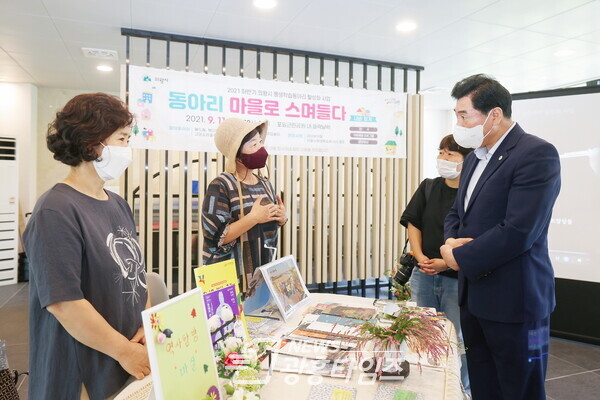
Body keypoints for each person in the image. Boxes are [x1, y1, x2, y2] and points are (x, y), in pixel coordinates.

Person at [440, 74, 561, 400]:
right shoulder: (474, 159)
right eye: (456, 115)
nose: (458, 123)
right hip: (475, 299)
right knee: (484, 385)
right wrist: (450, 243)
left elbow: (519, 230)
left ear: (493, 114)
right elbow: (457, 214)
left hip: (517, 304)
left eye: (464, 115)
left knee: (521, 389)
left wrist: (459, 257)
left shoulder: (536, 154)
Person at [23, 93, 150, 400]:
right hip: (80, 369)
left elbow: (136, 276)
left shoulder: (117, 204)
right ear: (93, 143)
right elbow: (64, 303)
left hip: (124, 358)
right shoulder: (55, 210)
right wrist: (124, 351)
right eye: (122, 139)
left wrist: (146, 325)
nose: (127, 149)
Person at [400, 134, 472, 395]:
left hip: (458, 279)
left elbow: (476, 238)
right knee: (423, 334)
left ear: (468, 160)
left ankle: (458, 389)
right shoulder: (429, 186)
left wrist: (447, 263)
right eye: (441, 152)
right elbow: (413, 222)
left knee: (456, 338)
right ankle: (425, 387)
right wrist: (419, 256)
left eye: (450, 154)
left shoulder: (474, 194)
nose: (443, 158)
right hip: (424, 274)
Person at [201, 118, 287, 291]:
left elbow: (267, 228)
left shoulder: (264, 183)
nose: (260, 148)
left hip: (262, 272)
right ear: (237, 155)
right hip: (231, 278)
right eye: (253, 144)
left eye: (260, 142)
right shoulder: (221, 185)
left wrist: (281, 218)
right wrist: (254, 218)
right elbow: (217, 238)